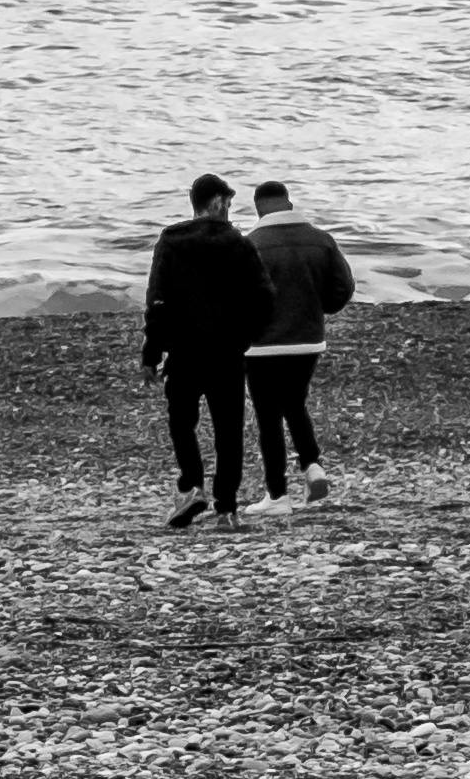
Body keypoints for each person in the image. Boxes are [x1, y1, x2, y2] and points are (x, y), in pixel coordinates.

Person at [139, 172, 273, 528]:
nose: (229, 209)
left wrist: (152, 353)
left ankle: (191, 486)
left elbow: (157, 301)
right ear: (216, 202)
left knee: (182, 422)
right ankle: (226, 507)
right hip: (227, 351)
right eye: (227, 203)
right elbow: (264, 297)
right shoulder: (238, 243)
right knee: (228, 430)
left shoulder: (171, 241)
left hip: (183, 350)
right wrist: (246, 337)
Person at [241, 177, 355, 506]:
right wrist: (319, 308)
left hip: (261, 345)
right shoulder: (321, 240)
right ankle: (312, 465)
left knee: (268, 416)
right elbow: (343, 287)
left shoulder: (251, 245)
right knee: (294, 403)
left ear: (258, 210)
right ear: (289, 204)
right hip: (307, 340)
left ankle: (277, 495)